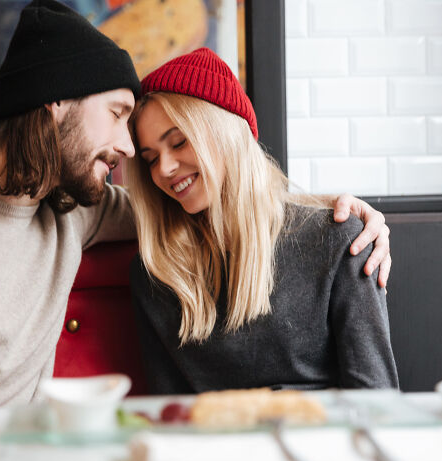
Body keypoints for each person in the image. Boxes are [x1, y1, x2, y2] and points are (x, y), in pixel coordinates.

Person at [0, 1, 390, 421]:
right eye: (119, 115)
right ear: (55, 103)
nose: (132, 153)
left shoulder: (69, 208)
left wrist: (345, 214)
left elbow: (223, 195)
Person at [125, 48, 399, 394]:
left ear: (227, 134)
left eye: (179, 142)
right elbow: (169, 413)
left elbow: (376, 400)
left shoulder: (340, 240)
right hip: (210, 445)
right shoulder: (155, 272)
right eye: (150, 159)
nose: (163, 169)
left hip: (323, 442)